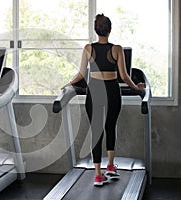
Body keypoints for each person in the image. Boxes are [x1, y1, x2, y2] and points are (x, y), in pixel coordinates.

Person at [62, 14, 145, 186]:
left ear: (95, 30)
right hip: (112, 90)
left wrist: (67, 84)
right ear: (110, 30)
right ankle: (111, 166)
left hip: (95, 90)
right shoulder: (117, 49)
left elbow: (80, 74)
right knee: (110, 127)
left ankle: (98, 174)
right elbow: (124, 76)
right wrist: (136, 88)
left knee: (96, 131)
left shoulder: (88, 48)